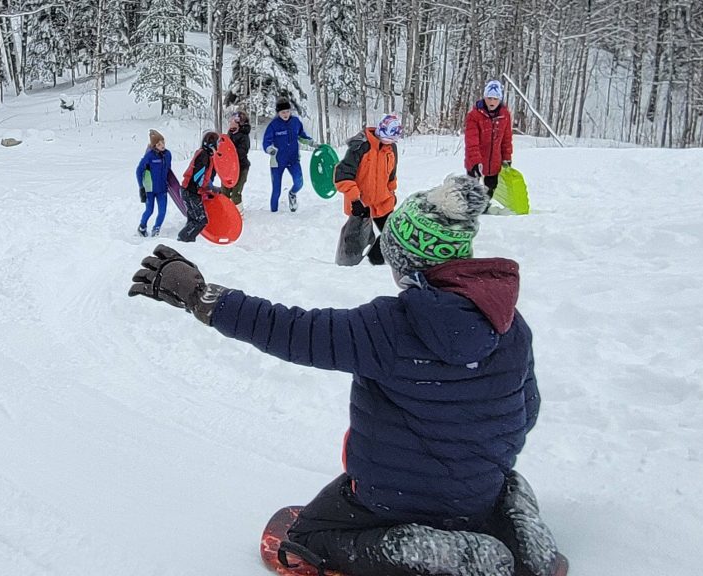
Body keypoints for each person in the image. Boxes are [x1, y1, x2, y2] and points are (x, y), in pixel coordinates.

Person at [128, 174, 568, 576]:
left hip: (392, 501)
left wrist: (200, 297)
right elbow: (526, 413)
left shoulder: (390, 327)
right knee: (505, 483)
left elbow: (293, 330)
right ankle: (522, 538)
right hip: (478, 495)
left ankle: (449, 555)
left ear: (407, 262)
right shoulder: (510, 325)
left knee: (306, 540)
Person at [334, 113, 402, 266]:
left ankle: (376, 262)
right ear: (381, 132)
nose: (390, 143)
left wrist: (392, 194)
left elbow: (391, 175)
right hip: (360, 204)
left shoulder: (391, 149)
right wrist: (355, 199)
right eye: (388, 138)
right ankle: (346, 271)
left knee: (394, 236)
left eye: (393, 140)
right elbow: (342, 176)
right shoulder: (360, 147)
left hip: (383, 201)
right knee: (352, 248)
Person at [465, 80, 513, 205]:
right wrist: (475, 161)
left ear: (500, 99)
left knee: (491, 186)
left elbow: (506, 139)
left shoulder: (505, 116)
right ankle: (471, 207)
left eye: (495, 99)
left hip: (494, 161)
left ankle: (484, 205)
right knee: (472, 187)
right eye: (489, 98)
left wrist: (507, 157)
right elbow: (471, 141)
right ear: (485, 97)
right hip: (476, 159)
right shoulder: (474, 116)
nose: (492, 102)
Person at [262, 97, 314, 213]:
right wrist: (269, 149)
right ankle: (273, 214)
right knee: (276, 190)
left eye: (287, 111)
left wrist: (311, 142)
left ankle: (292, 194)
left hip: (293, 160)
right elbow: (266, 142)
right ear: (278, 113)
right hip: (277, 162)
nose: (285, 114)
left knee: (299, 182)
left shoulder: (295, 122)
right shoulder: (273, 125)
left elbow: (302, 136)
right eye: (282, 112)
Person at [177, 132, 219, 243]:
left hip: (190, 190)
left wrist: (209, 188)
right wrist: (206, 188)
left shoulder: (208, 156)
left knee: (192, 219)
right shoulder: (204, 156)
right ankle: (182, 239)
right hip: (191, 191)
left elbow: (207, 177)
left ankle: (188, 242)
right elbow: (198, 176)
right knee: (201, 220)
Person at [135, 129, 174, 237]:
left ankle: (156, 228)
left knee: (162, 211)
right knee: (149, 210)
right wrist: (141, 187)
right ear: (154, 145)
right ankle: (142, 227)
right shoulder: (149, 156)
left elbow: (168, 170)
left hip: (162, 189)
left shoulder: (168, 154)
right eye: (159, 144)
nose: (162, 145)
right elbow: (139, 170)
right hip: (150, 189)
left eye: (163, 142)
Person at [221, 111, 251, 215]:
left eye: (233, 120)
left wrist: (229, 153)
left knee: (235, 194)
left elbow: (241, 153)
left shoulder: (244, 137)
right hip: (229, 169)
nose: (230, 122)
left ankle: (239, 214)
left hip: (241, 168)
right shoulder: (229, 134)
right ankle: (226, 213)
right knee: (224, 192)